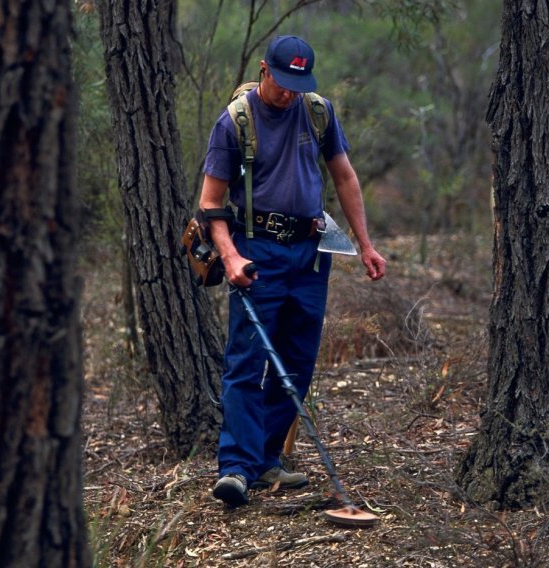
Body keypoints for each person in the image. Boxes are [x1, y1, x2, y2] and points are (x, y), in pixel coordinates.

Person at [199, 34, 386, 507]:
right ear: (265, 70)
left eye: (297, 85)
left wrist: (364, 244)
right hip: (256, 251)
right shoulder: (235, 122)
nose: (288, 93)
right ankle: (236, 469)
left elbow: (343, 175)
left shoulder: (318, 111)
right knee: (247, 361)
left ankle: (264, 460)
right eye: (282, 82)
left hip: (310, 253)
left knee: (297, 362)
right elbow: (210, 203)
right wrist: (230, 256)